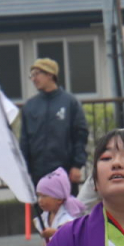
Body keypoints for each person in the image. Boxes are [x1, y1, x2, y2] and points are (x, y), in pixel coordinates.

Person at [18, 58, 89, 188]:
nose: (33, 79)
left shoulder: (70, 102)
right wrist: (24, 168)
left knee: (65, 202)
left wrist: (77, 165)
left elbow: (80, 135)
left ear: (50, 75)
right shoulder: (30, 106)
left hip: (65, 171)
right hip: (37, 172)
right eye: (31, 75)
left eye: (36, 74)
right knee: (41, 201)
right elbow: (24, 140)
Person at [33, 167, 84, 243]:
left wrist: (54, 232)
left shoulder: (67, 218)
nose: (40, 200)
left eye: (44, 196)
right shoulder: (46, 215)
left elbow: (71, 235)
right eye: (38, 196)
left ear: (59, 199)